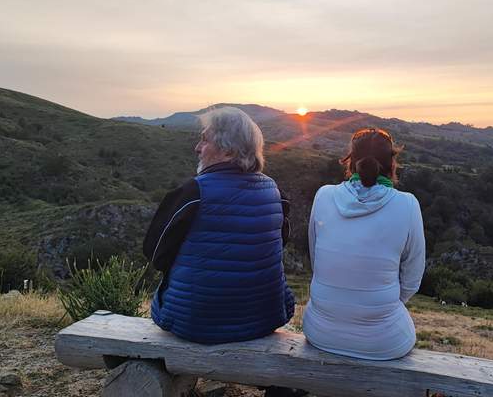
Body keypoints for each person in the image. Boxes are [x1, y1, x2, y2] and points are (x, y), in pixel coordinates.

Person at [143, 106, 294, 344]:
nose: (197, 148)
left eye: (205, 141)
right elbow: (278, 244)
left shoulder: (192, 193)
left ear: (228, 152)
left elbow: (156, 256)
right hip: (267, 318)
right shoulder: (276, 192)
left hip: (196, 323)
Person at [302, 128, 426, 360]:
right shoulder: (407, 205)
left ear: (351, 162)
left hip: (318, 331)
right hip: (384, 341)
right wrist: (379, 307)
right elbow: (412, 279)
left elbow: (316, 260)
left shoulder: (324, 196)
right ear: (392, 165)